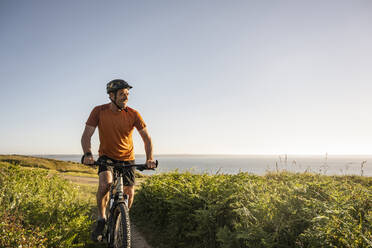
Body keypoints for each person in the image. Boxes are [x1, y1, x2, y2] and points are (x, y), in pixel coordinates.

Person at [81, 79, 156, 242]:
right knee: (105, 184)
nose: (126, 97)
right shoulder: (99, 111)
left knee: (129, 193)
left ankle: (122, 220)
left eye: (127, 94)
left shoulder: (133, 114)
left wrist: (149, 158)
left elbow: (147, 139)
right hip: (106, 157)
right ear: (111, 95)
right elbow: (86, 135)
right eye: (122, 94)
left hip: (127, 158)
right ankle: (101, 219)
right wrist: (88, 154)